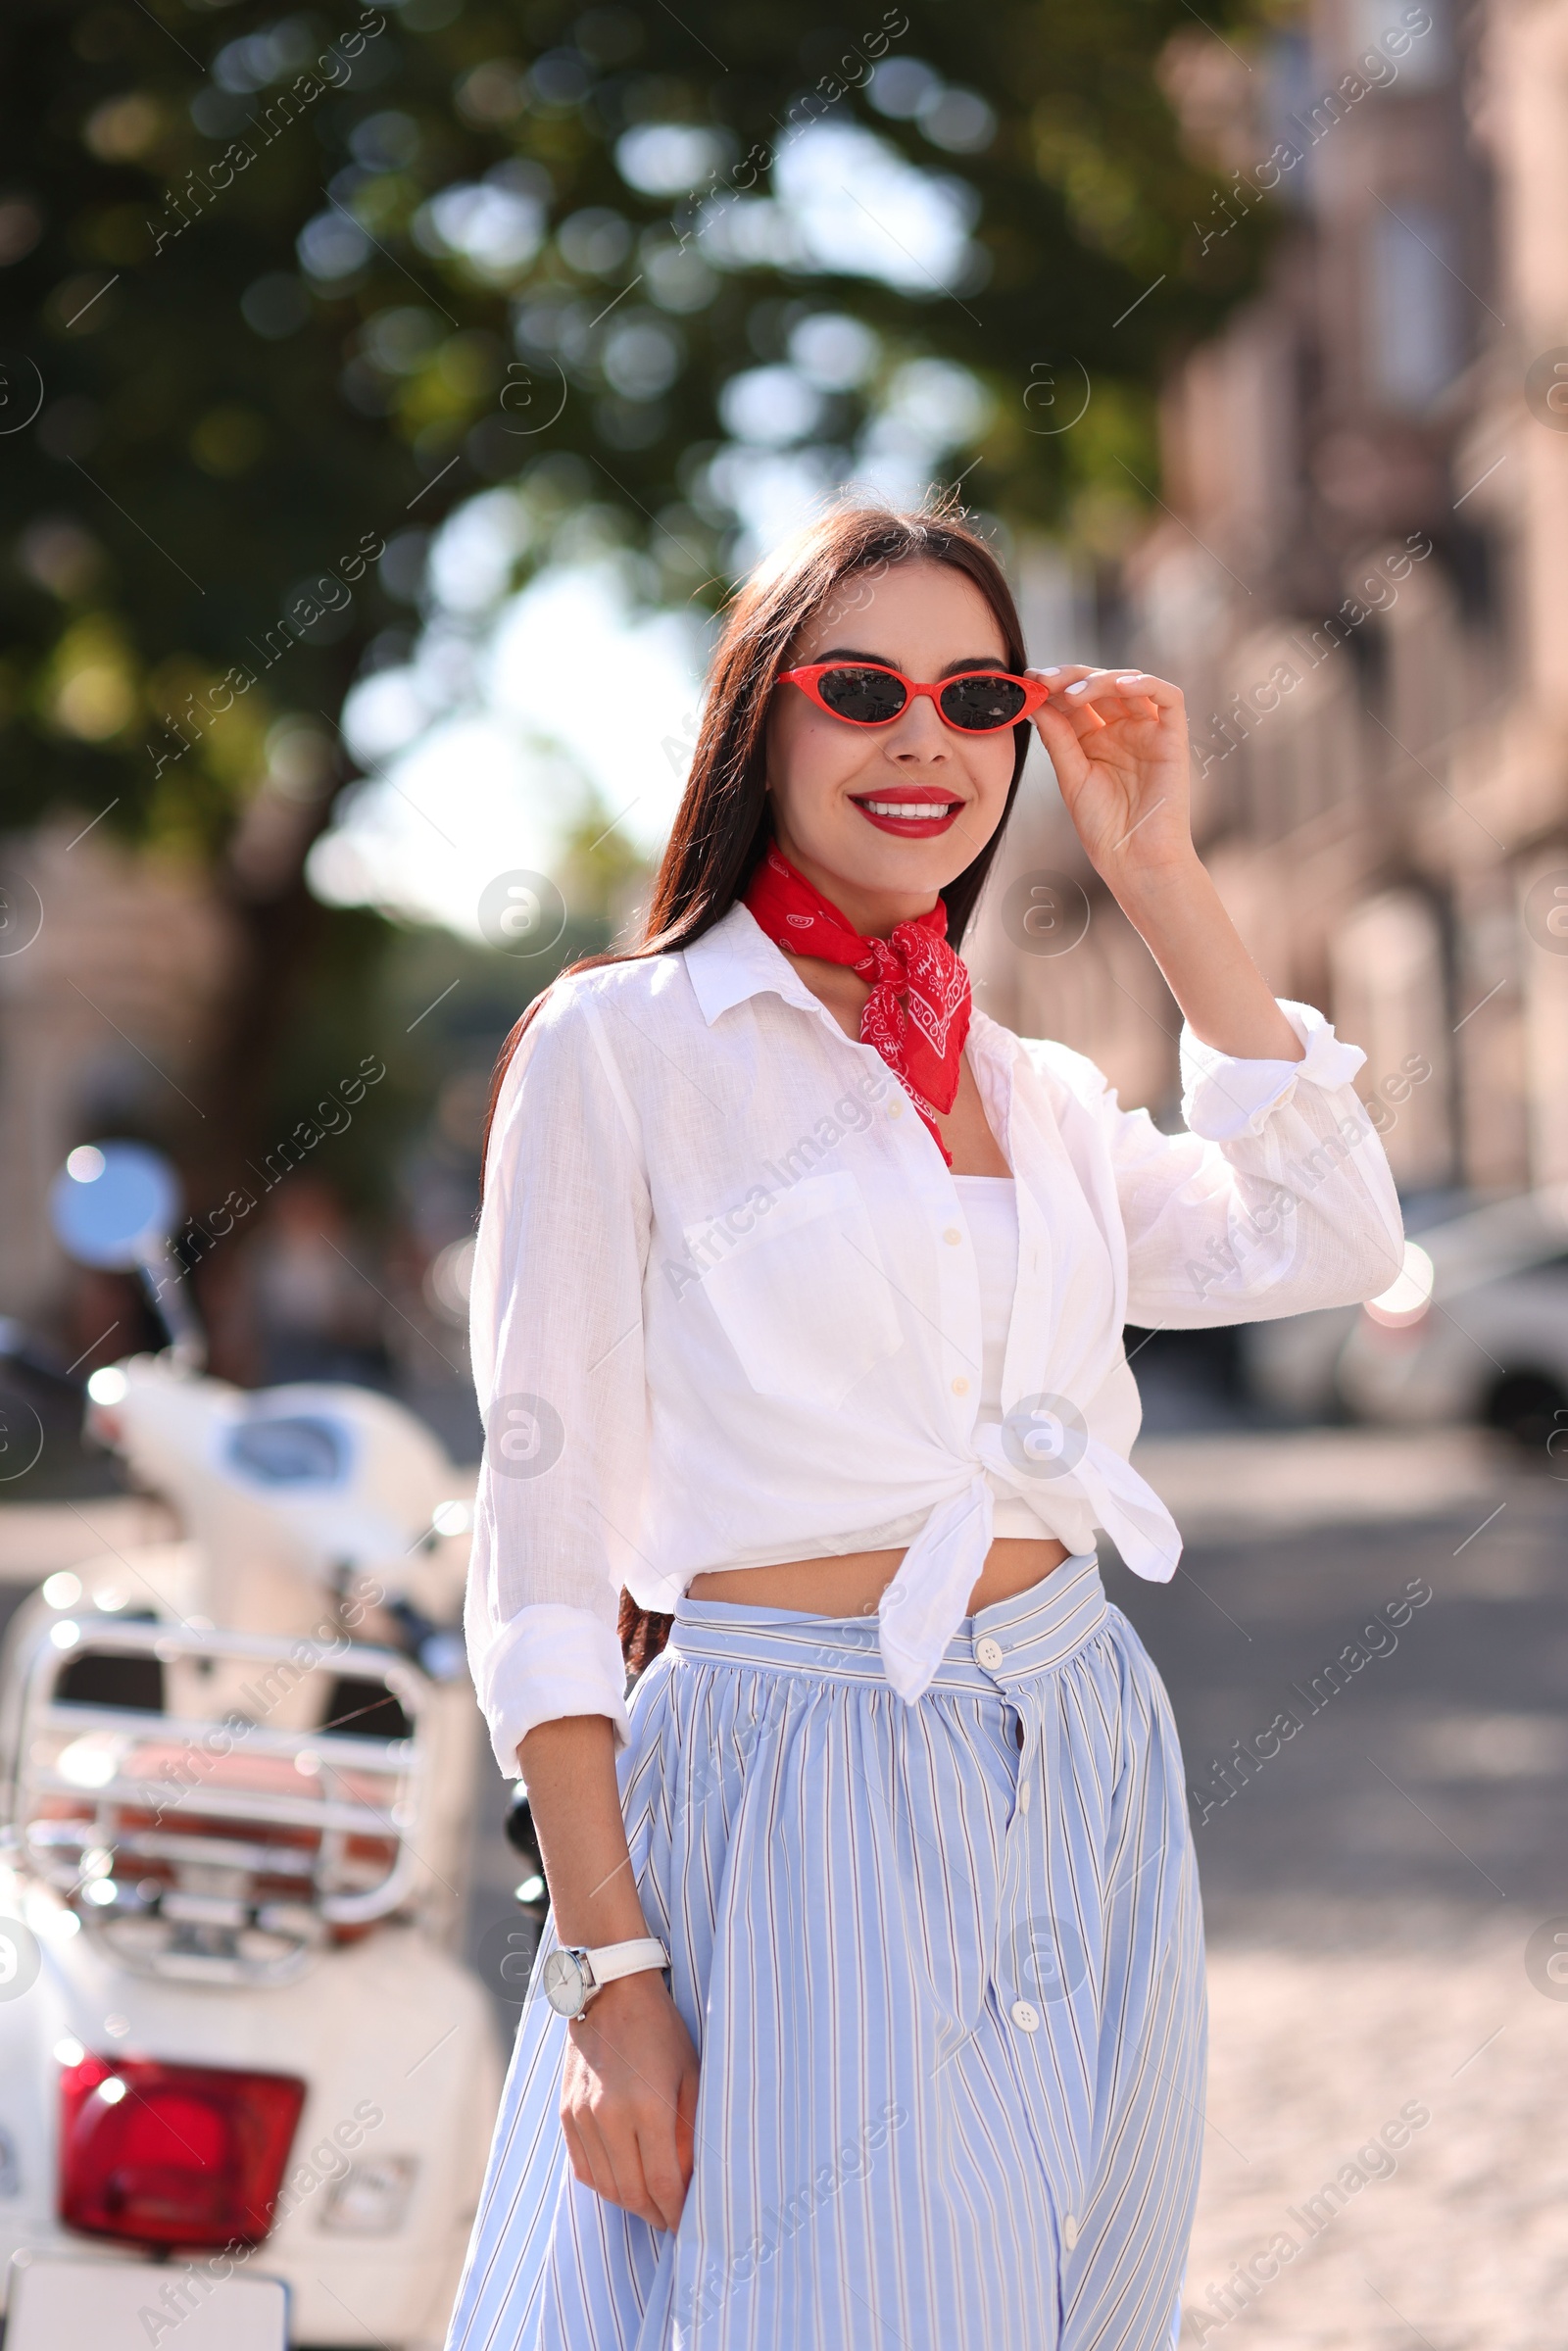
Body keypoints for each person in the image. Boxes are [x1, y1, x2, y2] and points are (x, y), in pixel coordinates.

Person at [446, 505, 1405, 2350]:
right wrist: (606, 1972)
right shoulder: (621, 1045)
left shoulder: (1029, 1086)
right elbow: (539, 1548)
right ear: (763, 727)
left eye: (977, 698)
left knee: (1072, 2298)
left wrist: (1159, 870)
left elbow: (1330, 1234)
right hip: (788, 1769)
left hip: (1085, 1747)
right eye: (864, 689)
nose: (927, 743)